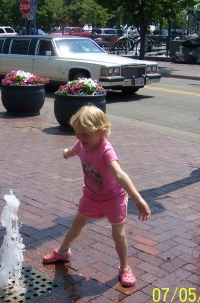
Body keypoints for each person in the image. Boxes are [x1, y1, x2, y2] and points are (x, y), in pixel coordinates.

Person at [42, 105, 151, 287]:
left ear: (101, 131)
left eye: (85, 134)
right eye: (77, 132)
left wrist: (138, 199)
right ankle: (63, 252)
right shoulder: (81, 145)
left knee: (118, 234)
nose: (80, 137)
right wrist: (66, 154)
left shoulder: (105, 150)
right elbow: (73, 150)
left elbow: (119, 174)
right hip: (91, 196)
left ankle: (125, 267)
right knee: (77, 224)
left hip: (113, 198)